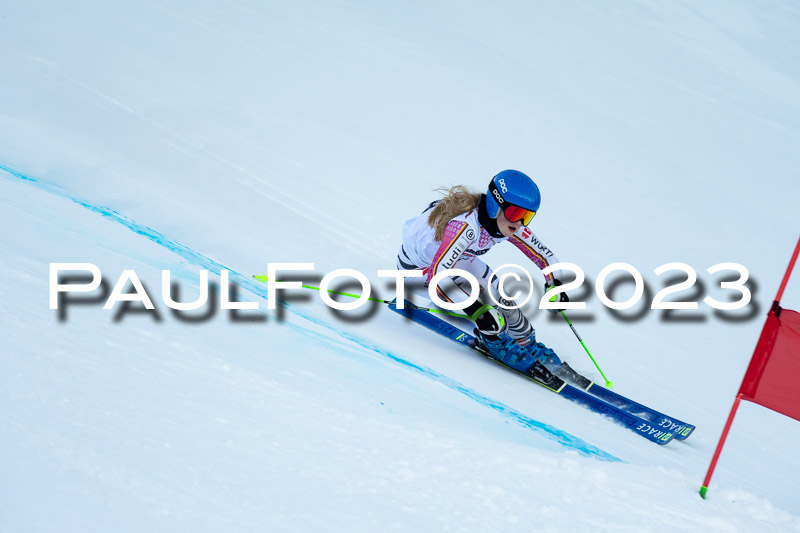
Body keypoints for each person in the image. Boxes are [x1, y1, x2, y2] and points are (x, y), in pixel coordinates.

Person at [396, 170, 584, 384]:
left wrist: (555, 284)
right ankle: (495, 342)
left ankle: (525, 344)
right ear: (496, 205)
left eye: (527, 216)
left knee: (505, 302)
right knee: (490, 316)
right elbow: (438, 276)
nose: (520, 223)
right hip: (418, 272)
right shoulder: (465, 227)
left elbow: (545, 255)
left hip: (454, 263)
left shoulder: (506, 223)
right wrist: (476, 310)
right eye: (515, 213)